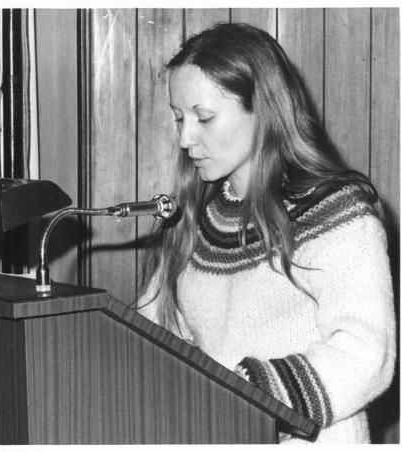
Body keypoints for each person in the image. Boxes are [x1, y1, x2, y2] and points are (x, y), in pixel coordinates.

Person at [136, 22, 396, 444]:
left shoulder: (336, 212)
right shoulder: (192, 217)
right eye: (179, 118)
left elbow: (368, 352)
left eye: (204, 118)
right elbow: (148, 337)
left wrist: (244, 397)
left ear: (264, 108)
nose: (185, 138)